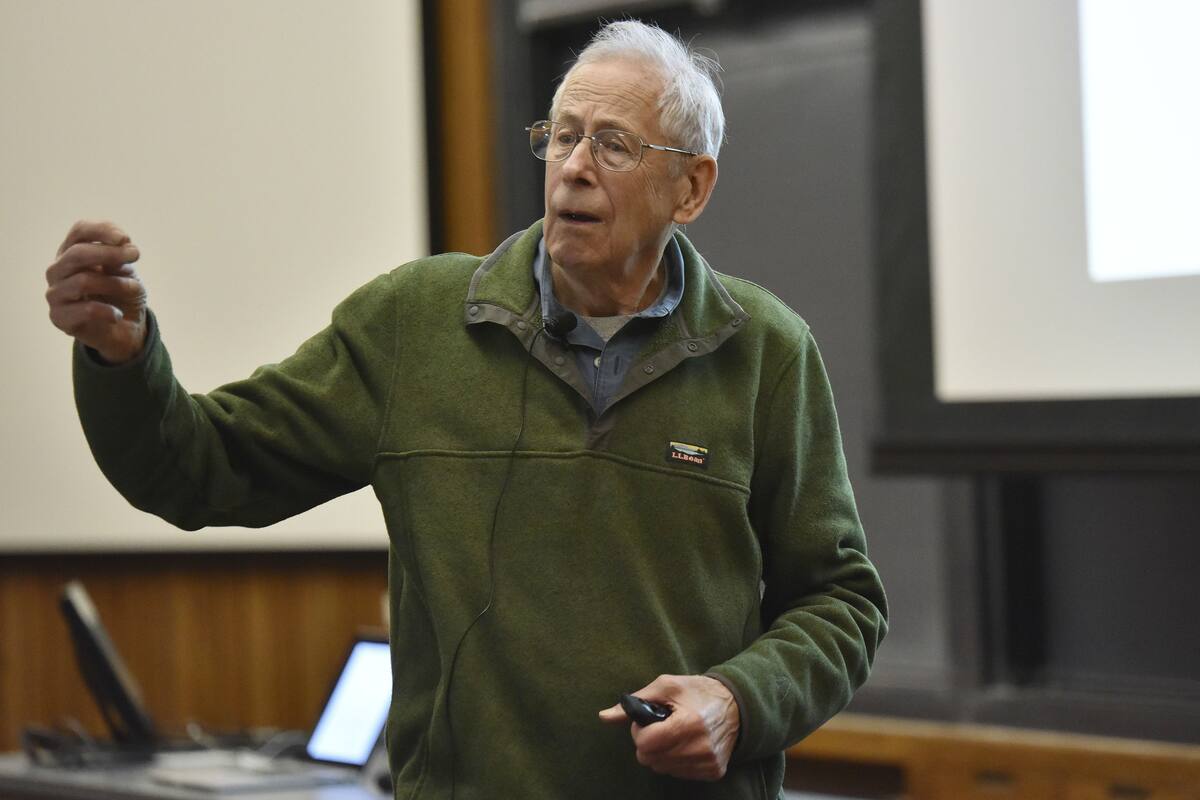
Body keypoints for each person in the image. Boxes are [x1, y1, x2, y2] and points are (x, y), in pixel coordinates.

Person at [45, 20, 886, 800]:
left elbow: (842, 600)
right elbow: (199, 468)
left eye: (614, 145)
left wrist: (740, 702)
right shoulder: (417, 322)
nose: (573, 167)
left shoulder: (765, 350)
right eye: (561, 136)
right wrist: (122, 360)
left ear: (691, 187)